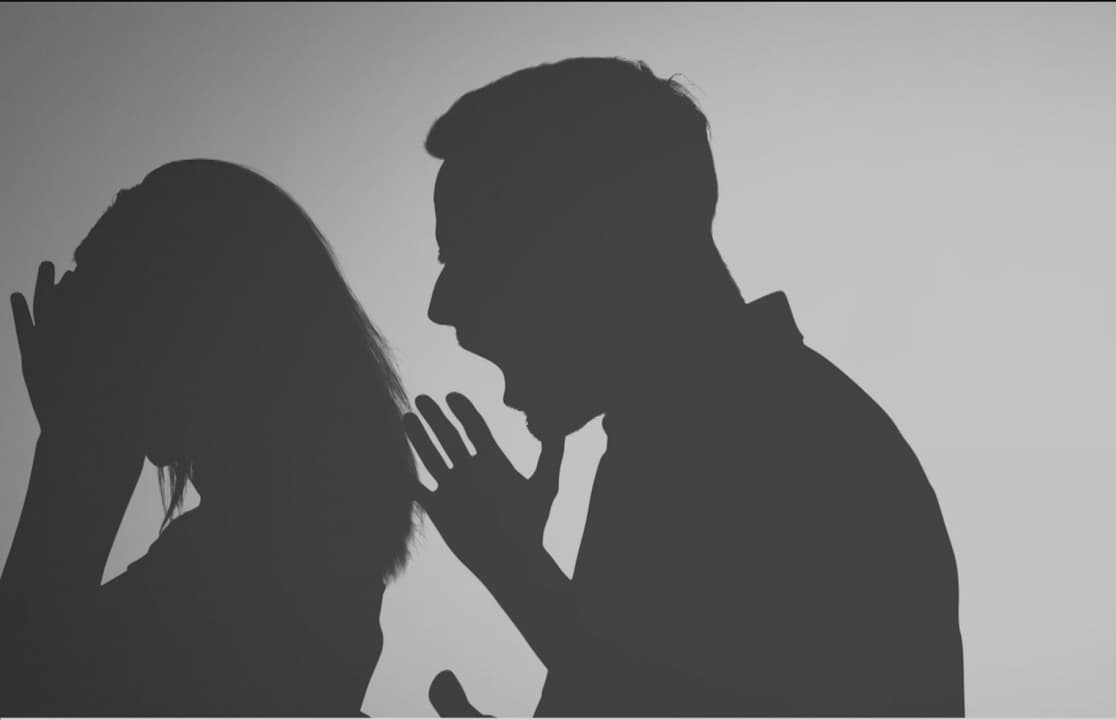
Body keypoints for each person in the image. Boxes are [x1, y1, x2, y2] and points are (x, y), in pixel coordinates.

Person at [404, 57, 965, 717]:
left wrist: (518, 574)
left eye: (473, 255)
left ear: (589, 245)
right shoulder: (702, 435)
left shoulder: (780, 452)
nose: (442, 306)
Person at [0, 159, 418, 716]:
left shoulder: (233, 587)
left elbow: (23, 688)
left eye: (103, 301)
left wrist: (77, 451)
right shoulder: (297, 561)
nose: (79, 333)